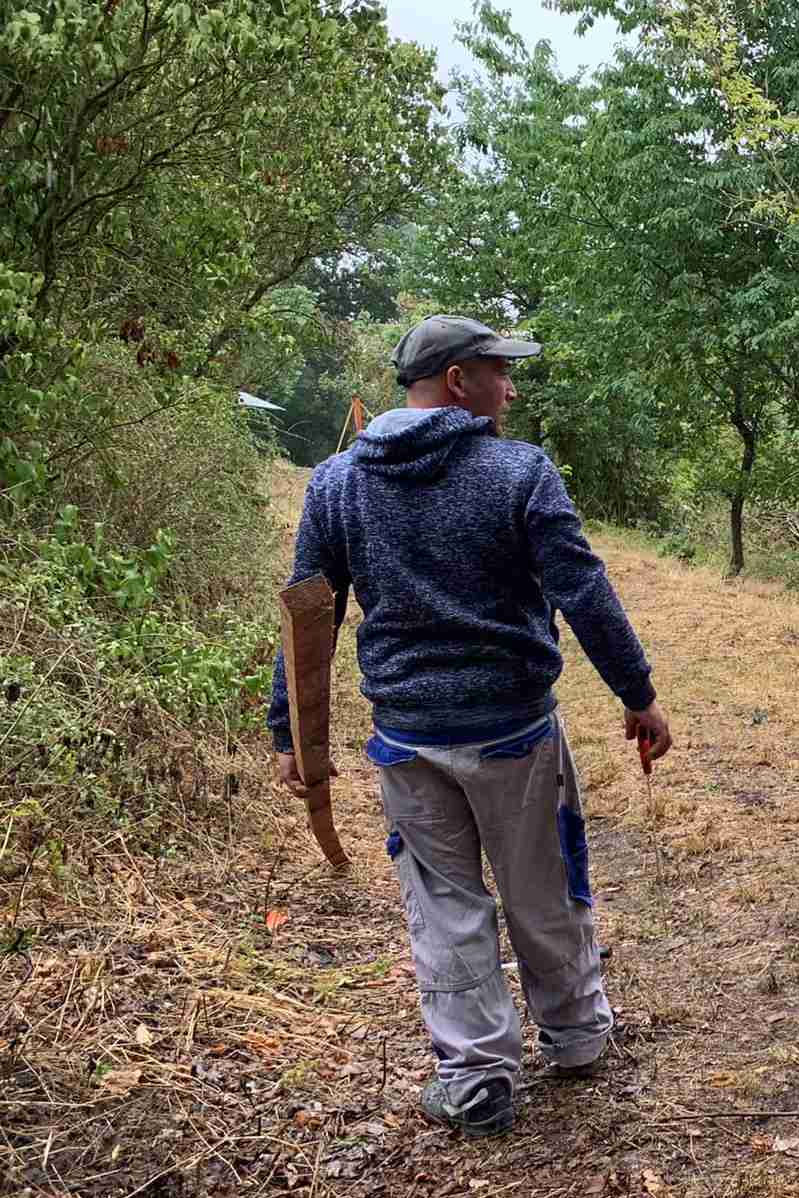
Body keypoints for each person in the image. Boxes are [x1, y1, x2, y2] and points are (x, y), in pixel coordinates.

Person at [269, 315, 673, 1137]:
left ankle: (479, 1076)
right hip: (515, 730)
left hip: (408, 737)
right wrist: (639, 693)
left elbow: (307, 616)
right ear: (457, 381)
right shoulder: (517, 470)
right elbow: (583, 591)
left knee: (443, 907)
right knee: (543, 887)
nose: (511, 387)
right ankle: (576, 1037)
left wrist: (293, 735)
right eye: (499, 370)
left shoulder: (336, 483)